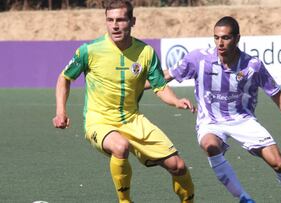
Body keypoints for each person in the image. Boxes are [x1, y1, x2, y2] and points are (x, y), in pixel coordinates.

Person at [163, 16, 281, 203]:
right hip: (211, 121)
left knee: (278, 164)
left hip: (243, 120)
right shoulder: (199, 58)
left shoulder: (253, 65)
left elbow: (275, 93)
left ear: (237, 38)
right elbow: (167, 75)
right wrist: (136, 82)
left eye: (226, 38)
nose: (220, 43)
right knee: (210, 146)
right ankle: (244, 198)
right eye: (216, 37)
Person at [52, 1, 195, 202]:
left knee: (177, 166)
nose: (115, 25)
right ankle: (125, 201)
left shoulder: (145, 52)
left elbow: (159, 86)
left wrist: (176, 101)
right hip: (99, 121)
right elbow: (64, 78)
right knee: (120, 146)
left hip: (133, 120)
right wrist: (61, 111)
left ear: (132, 21)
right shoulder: (89, 50)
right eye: (110, 20)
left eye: (120, 20)